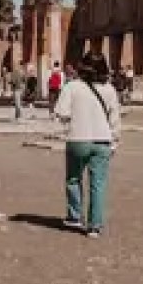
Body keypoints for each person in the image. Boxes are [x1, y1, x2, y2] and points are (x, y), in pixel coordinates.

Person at [54, 52, 122, 237]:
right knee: (98, 184)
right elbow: (115, 119)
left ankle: (75, 216)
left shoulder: (72, 87)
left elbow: (61, 112)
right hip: (103, 140)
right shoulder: (109, 89)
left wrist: (73, 119)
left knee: (73, 179)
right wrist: (115, 141)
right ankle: (95, 226)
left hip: (78, 138)